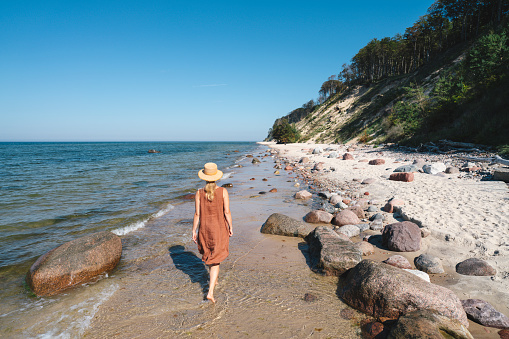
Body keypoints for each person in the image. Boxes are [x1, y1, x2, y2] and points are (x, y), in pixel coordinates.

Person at [192, 162, 233, 303]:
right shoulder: (223, 191)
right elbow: (226, 212)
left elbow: (197, 214)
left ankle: (214, 280)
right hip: (219, 229)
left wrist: (193, 230)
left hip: (204, 229)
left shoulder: (198, 193)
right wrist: (231, 226)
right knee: (216, 260)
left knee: (210, 255)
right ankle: (210, 292)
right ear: (216, 177)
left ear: (204, 177)